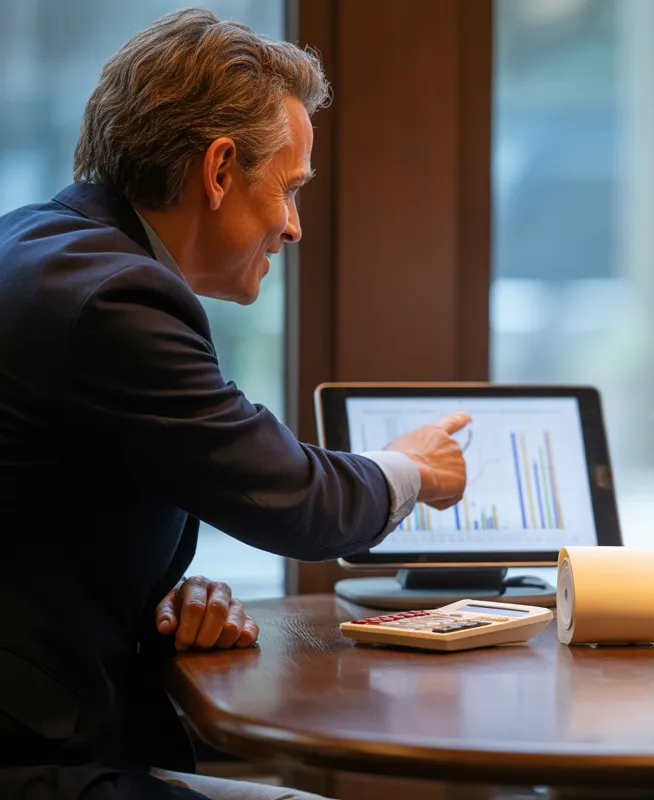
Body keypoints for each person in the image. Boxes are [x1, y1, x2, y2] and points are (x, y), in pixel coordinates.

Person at [0, 9, 469, 799]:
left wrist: (169, 592)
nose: (291, 227)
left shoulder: (37, 245)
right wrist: (412, 470)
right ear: (218, 170)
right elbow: (287, 496)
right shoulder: (116, 298)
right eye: (287, 189)